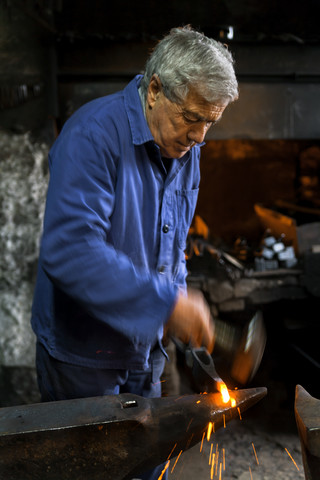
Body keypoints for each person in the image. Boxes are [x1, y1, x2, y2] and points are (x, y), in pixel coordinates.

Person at [31, 25, 238, 480]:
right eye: (191, 118)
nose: (200, 136)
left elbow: (171, 240)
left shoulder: (186, 148)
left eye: (211, 122)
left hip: (146, 353)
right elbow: (69, 251)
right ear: (154, 90)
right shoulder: (93, 136)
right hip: (83, 358)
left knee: (142, 468)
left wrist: (178, 305)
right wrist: (166, 304)